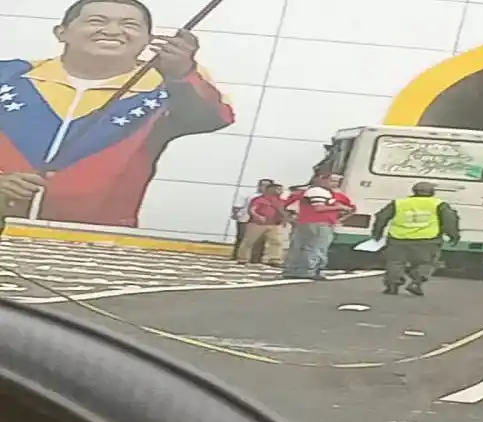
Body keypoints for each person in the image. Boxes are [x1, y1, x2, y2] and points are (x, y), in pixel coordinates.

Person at [0, 0, 234, 227]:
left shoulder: (168, 86)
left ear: (149, 40)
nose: (113, 31)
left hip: (96, 240)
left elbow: (211, 118)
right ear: (61, 32)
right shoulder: (9, 75)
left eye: (130, 25)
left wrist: (182, 73)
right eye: (96, 21)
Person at [371, 181, 460, 296]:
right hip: (428, 239)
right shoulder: (439, 204)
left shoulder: (399, 203)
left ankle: (393, 285)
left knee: (395, 262)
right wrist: (453, 235)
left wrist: (377, 233)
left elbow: (381, 217)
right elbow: (450, 221)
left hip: (399, 238)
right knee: (426, 263)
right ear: (432, 192)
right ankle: (416, 282)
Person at [282, 173, 353, 280]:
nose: (335, 184)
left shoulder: (314, 192)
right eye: (332, 181)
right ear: (321, 179)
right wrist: (339, 207)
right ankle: (309, 271)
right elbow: (318, 208)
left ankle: (294, 270)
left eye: (336, 182)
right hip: (318, 222)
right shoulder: (318, 191)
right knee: (316, 247)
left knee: (302, 246)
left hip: (309, 222)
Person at [236, 182, 287, 266]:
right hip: (258, 224)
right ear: (271, 189)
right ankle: (243, 258)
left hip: (274, 224)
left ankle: (274, 259)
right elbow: (252, 209)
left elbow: (284, 211)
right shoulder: (259, 199)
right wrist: (258, 216)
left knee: (276, 242)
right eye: (278, 189)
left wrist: (284, 220)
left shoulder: (281, 201)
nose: (281, 191)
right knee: (249, 241)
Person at [231, 179, 274, 260]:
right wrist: (235, 215)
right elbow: (237, 206)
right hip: (245, 219)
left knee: (259, 241)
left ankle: (255, 258)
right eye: (262, 185)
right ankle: (237, 256)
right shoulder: (248, 195)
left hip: (262, 222)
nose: (264, 187)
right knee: (242, 238)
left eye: (267, 185)